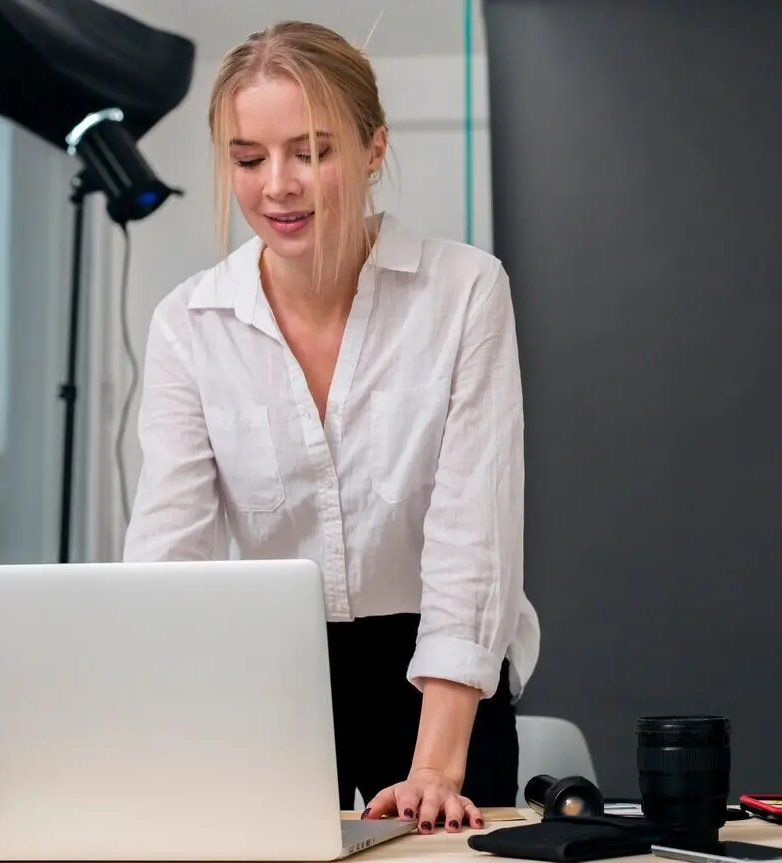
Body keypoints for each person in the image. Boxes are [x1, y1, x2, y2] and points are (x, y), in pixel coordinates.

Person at [122, 21, 540, 835]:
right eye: (249, 159)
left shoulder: (464, 293)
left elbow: (472, 541)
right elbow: (167, 564)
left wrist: (433, 769)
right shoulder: (189, 323)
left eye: (311, 152)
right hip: (270, 675)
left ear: (374, 147)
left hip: (440, 677)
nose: (278, 185)